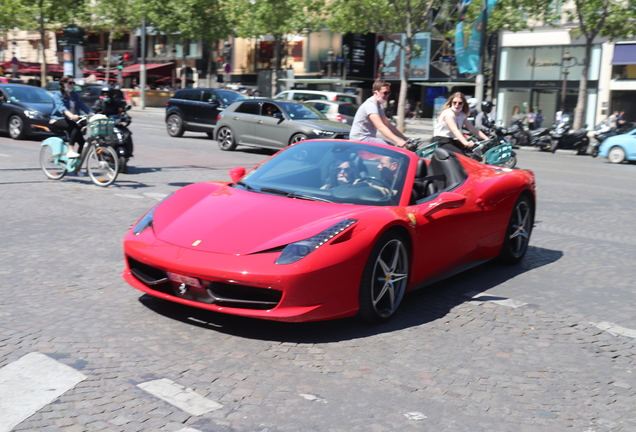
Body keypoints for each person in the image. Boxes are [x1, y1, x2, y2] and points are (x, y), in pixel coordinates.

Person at [350, 80, 408, 148]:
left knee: (391, 147)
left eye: (389, 93)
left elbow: (387, 124)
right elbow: (381, 127)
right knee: (389, 148)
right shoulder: (371, 105)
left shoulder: (379, 106)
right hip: (360, 139)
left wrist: (404, 138)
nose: (387, 95)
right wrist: (398, 141)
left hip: (368, 138)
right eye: (385, 93)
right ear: (376, 92)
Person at [50, 75, 92, 158]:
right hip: (58, 119)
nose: (72, 85)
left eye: (73, 83)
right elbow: (61, 107)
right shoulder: (58, 94)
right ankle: (70, 150)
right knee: (75, 126)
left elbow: (82, 105)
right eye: (70, 83)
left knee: (83, 144)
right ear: (63, 84)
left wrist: (92, 114)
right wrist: (71, 115)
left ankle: (76, 166)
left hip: (72, 120)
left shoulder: (74, 94)